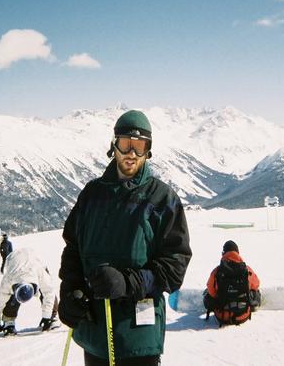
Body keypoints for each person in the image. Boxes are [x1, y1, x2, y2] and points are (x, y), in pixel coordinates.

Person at [58, 109, 192, 366]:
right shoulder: (92, 194)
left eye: (139, 146)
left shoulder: (163, 199)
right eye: (125, 144)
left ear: (148, 150)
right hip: (94, 331)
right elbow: (73, 248)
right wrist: (71, 291)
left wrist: (128, 282)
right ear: (114, 146)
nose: (131, 153)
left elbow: (175, 267)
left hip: (138, 339)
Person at [0, 247, 59, 335]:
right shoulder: (9, 279)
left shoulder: (40, 272)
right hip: (14, 260)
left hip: (35, 259)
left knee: (46, 291)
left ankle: (52, 317)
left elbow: (49, 292)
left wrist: (47, 316)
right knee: (10, 298)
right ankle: (9, 322)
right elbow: (0, 299)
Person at [203, 240, 261, 326]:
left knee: (208, 293)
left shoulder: (217, 271)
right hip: (243, 315)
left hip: (222, 316)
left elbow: (212, 292)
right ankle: (249, 306)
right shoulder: (246, 269)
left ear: (223, 253)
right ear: (238, 253)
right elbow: (256, 284)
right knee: (256, 292)